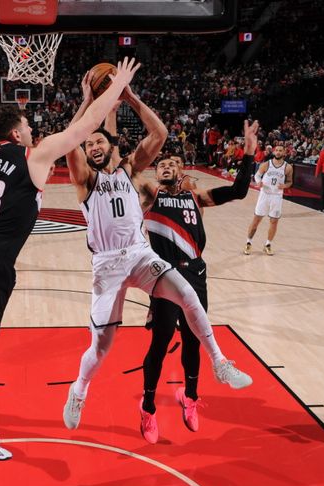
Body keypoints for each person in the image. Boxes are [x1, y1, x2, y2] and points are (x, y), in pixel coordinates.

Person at [0, 57, 142, 485]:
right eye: (28, 127)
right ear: (15, 134)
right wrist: (112, 90)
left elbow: (64, 139)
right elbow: (78, 136)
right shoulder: (30, 156)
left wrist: (85, 100)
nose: (33, 132)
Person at [61, 74, 252, 433]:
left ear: (112, 147)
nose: (94, 145)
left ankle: (220, 361)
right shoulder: (86, 180)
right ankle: (79, 389)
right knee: (101, 348)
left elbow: (160, 135)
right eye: (90, 144)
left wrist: (131, 97)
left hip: (139, 254)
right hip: (107, 267)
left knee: (189, 295)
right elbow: (71, 141)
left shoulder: (131, 171)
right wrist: (87, 100)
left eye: (100, 140)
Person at [139, 121, 258, 443]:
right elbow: (129, 171)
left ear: (182, 170)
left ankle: (189, 398)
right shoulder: (149, 194)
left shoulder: (196, 197)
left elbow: (238, 191)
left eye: (172, 163)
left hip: (195, 272)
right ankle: (148, 407)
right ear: (156, 172)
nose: (166, 166)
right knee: (161, 343)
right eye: (161, 164)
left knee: (193, 341)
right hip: (162, 275)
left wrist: (248, 152)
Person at [244, 144, 293, 255]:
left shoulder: (288, 167)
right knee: (256, 220)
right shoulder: (266, 164)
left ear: (284, 153)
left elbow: (290, 182)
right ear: (274, 152)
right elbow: (257, 175)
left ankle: (268, 244)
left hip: (277, 196)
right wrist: (258, 182)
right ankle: (248, 243)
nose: (278, 152)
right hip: (264, 195)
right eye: (277, 150)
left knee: (274, 221)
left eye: (281, 150)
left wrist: (285, 186)